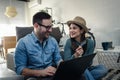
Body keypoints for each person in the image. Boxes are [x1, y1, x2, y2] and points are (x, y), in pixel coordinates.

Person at [14, 11, 62, 80]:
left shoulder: (53, 41)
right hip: (33, 77)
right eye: (47, 27)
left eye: (51, 26)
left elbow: (58, 59)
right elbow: (20, 69)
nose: (51, 30)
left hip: (52, 76)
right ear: (36, 26)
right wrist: (41, 72)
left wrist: (63, 68)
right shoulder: (23, 43)